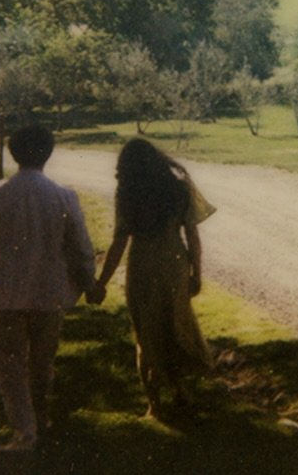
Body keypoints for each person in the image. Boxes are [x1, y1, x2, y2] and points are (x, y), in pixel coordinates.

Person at [0, 124, 97, 452]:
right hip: (47, 291)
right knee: (41, 360)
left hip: (3, 290)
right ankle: (39, 417)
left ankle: (25, 429)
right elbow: (80, 246)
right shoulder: (63, 196)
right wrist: (88, 281)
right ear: (48, 154)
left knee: (10, 362)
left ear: (13, 153)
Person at [88, 137, 213, 420]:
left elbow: (120, 241)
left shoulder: (127, 193)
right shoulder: (178, 188)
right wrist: (196, 272)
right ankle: (180, 390)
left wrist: (102, 282)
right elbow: (192, 235)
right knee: (175, 323)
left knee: (146, 330)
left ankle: (153, 403)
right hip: (174, 263)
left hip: (143, 264)